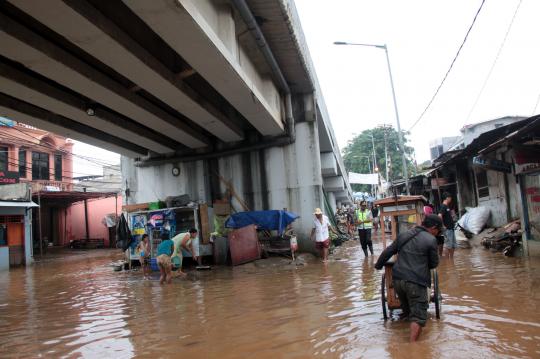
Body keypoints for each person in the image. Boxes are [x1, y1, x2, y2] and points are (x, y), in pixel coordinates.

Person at [374, 214, 442, 342]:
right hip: (416, 282)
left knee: (409, 310)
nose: (437, 233)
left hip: (398, 280)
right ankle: (412, 347)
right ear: (433, 227)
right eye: (438, 231)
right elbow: (434, 264)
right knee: (418, 317)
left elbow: (389, 251)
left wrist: (378, 266)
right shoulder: (431, 240)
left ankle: (405, 320)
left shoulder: (404, 235)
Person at [439, 193, 457, 258]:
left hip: (451, 228)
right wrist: (443, 225)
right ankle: (447, 261)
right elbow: (439, 215)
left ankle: (451, 260)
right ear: (447, 198)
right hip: (448, 229)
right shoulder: (443, 206)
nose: (451, 199)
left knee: (453, 245)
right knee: (448, 246)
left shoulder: (447, 206)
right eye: (450, 198)